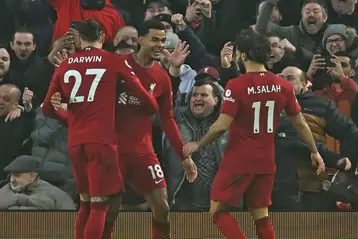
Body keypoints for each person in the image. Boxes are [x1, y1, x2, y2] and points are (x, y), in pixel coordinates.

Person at [183, 29, 326, 239]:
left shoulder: (236, 85)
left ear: (242, 55)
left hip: (238, 160)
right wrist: (315, 151)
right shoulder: (282, 85)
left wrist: (198, 143)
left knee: (218, 211)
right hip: (266, 160)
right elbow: (300, 122)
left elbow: (221, 125)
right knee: (261, 216)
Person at [42, 19, 158, 239]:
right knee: (99, 206)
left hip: (76, 143)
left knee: (85, 204)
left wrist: (66, 115)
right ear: (103, 37)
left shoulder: (65, 64)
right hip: (101, 142)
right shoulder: (112, 61)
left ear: (78, 38)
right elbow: (151, 104)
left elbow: (48, 108)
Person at [113, 19, 198, 239]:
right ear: (139, 40)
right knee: (107, 210)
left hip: (143, 151)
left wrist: (184, 155)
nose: (160, 44)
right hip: (112, 150)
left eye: (163, 40)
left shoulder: (162, 77)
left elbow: (167, 119)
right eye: (155, 39)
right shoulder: (117, 65)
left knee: (162, 206)